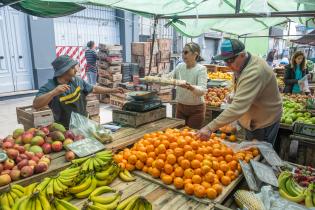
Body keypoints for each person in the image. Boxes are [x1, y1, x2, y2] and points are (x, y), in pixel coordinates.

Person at [198, 39, 282, 145]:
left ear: (242, 55)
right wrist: (234, 94)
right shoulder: (243, 64)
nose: (228, 65)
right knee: (250, 150)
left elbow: (238, 106)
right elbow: (242, 86)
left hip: (264, 120)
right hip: (252, 117)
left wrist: (209, 128)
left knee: (260, 153)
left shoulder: (255, 71)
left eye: (230, 61)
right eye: (225, 61)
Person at [33, 55, 123, 128]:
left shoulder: (77, 81)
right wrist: (53, 93)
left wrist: (112, 90)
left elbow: (94, 89)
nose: (76, 70)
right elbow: (36, 104)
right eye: (72, 68)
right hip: (65, 130)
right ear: (64, 71)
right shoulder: (50, 86)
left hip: (84, 124)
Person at [167, 42, 208, 129]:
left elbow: (202, 90)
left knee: (191, 137)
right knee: (178, 135)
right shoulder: (180, 67)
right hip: (181, 107)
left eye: (186, 52)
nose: (183, 54)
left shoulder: (201, 69)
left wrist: (190, 87)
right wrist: (156, 79)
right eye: (182, 52)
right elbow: (169, 78)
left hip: (196, 109)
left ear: (195, 54)